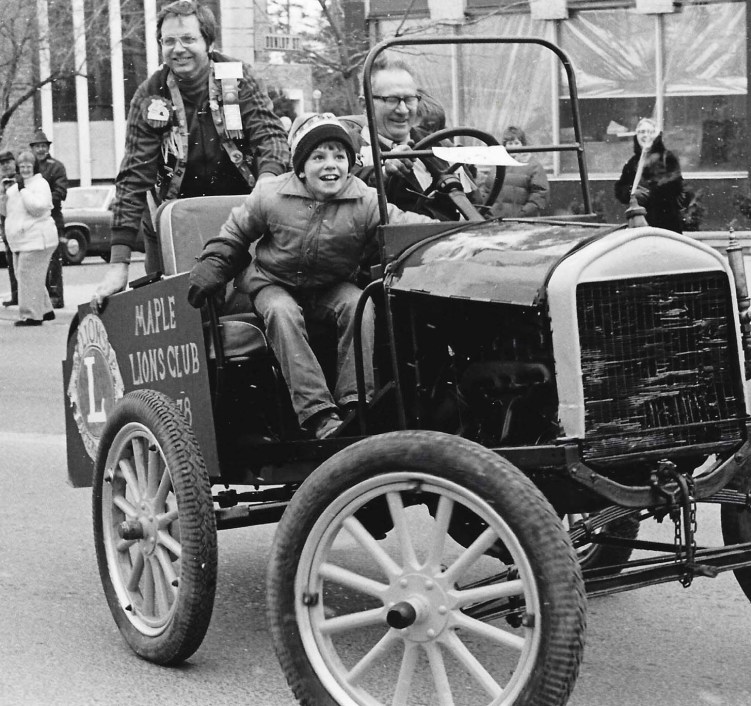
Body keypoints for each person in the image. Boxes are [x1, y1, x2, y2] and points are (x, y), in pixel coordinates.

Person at [187, 114, 435, 439]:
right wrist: (213, 267)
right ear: (301, 167)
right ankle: (318, 413)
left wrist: (456, 231)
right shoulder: (270, 196)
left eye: (339, 156)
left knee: (359, 304)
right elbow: (234, 236)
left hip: (329, 286)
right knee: (282, 311)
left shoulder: (367, 201)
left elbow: (408, 227)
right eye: (318, 157)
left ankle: (355, 403)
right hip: (271, 281)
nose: (330, 165)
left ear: (350, 163)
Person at [91, 0, 290, 311]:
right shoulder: (149, 94)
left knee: (252, 307)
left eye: (188, 39)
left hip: (243, 214)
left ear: (208, 42)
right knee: (182, 316)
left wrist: (267, 181)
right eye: (168, 41)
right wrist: (118, 263)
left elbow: (271, 136)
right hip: (176, 221)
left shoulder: (236, 78)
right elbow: (133, 176)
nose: (178, 49)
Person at [354, 55, 475, 220]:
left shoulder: (441, 146)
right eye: (392, 99)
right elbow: (349, 193)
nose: (403, 110)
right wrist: (383, 173)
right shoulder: (348, 149)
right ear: (365, 105)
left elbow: (479, 207)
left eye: (410, 99)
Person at [3, 151, 58, 326]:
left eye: (28, 166)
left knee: (28, 276)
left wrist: (23, 191)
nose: (25, 170)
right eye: (22, 167)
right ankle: (45, 309)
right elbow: (5, 212)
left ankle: (31, 315)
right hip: (22, 240)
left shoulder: (40, 184)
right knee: (25, 275)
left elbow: (38, 208)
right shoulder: (15, 186)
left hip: (37, 238)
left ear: (34, 167)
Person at [613, 118, 689, 233]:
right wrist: (631, 193)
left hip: (666, 224)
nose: (645, 135)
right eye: (642, 132)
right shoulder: (633, 162)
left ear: (656, 136)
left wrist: (650, 192)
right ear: (636, 136)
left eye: (650, 132)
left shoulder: (667, 158)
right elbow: (620, 189)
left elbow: (675, 186)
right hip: (640, 225)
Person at [29, 128, 68, 308]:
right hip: (32, 222)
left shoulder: (56, 166)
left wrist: (40, 200)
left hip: (52, 220)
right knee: (36, 261)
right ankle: (41, 297)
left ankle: (55, 297)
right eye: (37, 146)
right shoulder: (29, 168)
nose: (41, 150)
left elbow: (61, 193)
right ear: (32, 149)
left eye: (43, 146)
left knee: (53, 261)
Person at [478, 126, 549, 219]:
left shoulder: (533, 166)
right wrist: (487, 213)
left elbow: (540, 195)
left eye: (516, 143)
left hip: (521, 223)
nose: (513, 147)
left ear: (523, 145)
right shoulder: (497, 166)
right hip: (494, 221)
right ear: (505, 146)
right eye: (510, 143)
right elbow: (486, 191)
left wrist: (522, 214)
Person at [0, 150, 19, 306]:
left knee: (23, 267)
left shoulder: (20, 179)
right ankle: (15, 295)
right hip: (6, 229)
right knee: (11, 264)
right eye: (2, 164)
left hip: (20, 228)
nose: (5, 166)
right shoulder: (1, 183)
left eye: (8, 162)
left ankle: (25, 296)